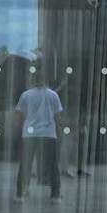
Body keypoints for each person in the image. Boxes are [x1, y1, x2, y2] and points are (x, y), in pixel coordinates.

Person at [15, 72, 63, 202]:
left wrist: (18, 133)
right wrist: (60, 132)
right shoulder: (53, 95)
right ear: (46, 80)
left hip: (29, 135)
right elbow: (58, 117)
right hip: (48, 134)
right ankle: (55, 195)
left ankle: (20, 193)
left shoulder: (25, 95)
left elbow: (20, 117)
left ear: (33, 80)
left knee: (25, 164)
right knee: (53, 165)